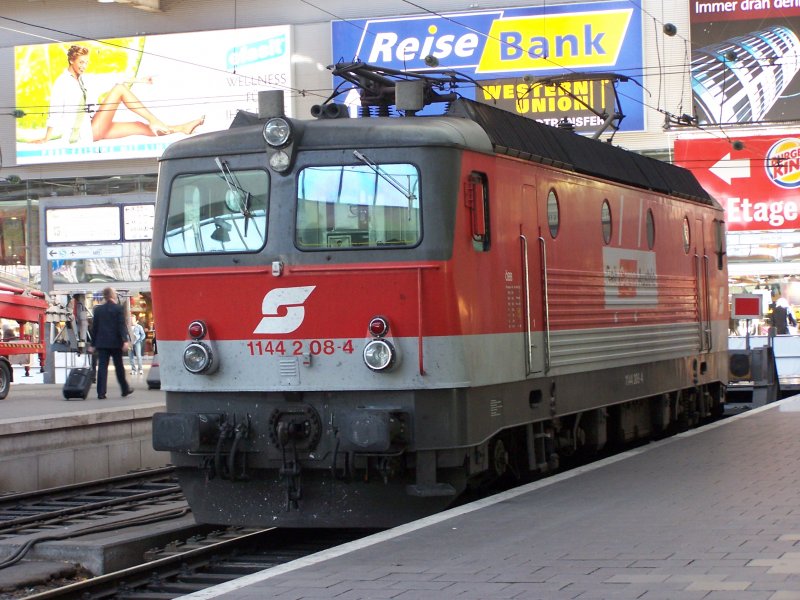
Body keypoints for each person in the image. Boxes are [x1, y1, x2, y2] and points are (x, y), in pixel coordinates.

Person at [34, 45, 204, 145]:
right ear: (71, 60)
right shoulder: (62, 82)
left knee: (139, 126)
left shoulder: (83, 79)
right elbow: (54, 112)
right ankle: (154, 119)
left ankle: (182, 128)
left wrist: (140, 80)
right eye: (81, 62)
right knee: (119, 89)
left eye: (86, 62)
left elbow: (108, 78)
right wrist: (46, 138)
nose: (84, 66)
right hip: (83, 134)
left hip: (93, 127)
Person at [89, 287, 133, 399]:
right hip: (115, 343)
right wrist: (125, 341)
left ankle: (101, 393)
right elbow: (121, 326)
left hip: (102, 343)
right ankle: (124, 389)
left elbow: (95, 328)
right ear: (113, 295)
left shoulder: (98, 310)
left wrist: (93, 344)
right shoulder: (118, 309)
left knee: (102, 367)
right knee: (119, 367)